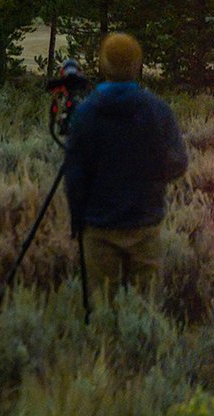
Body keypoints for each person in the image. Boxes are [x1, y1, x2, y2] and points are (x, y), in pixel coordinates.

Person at [61, 31, 190, 296]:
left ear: (103, 65)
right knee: (146, 306)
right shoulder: (157, 110)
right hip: (145, 224)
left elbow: (74, 177)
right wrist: (149, 179)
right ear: (136, 64)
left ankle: (104, 337)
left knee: (101, 305)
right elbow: (178, 163)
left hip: (99, 227)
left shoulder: (86, 114)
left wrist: (78, 221)